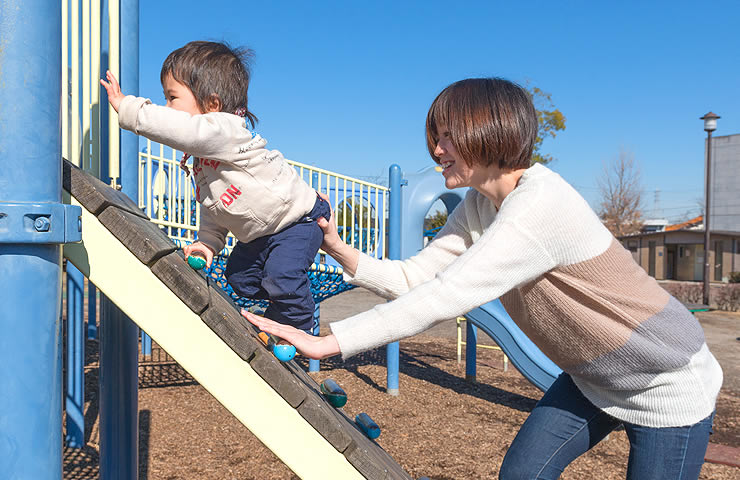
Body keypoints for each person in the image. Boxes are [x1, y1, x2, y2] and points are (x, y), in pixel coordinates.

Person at [243, 77, 723, 479]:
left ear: (488, 131)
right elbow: (416, 278)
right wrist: (337, 246)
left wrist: (329, 343)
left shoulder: (540, 206)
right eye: (435, 136)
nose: (436, 149)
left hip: (664, 381)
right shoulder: (479, 205)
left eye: (447, 135)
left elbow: (448, 294)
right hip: (593, 377)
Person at [101, 40, 329, 335]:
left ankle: (297, 327)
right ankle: (281, 310)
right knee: (239, 278)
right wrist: (208, 242)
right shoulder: (206, 159)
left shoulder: (226, 130)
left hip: (298, 222)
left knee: (282, 276)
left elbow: (182, 129)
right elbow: (215, 205)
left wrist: (128, 108)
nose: (166, 108)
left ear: (213, 105)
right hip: (260, 236)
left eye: (172, 98)